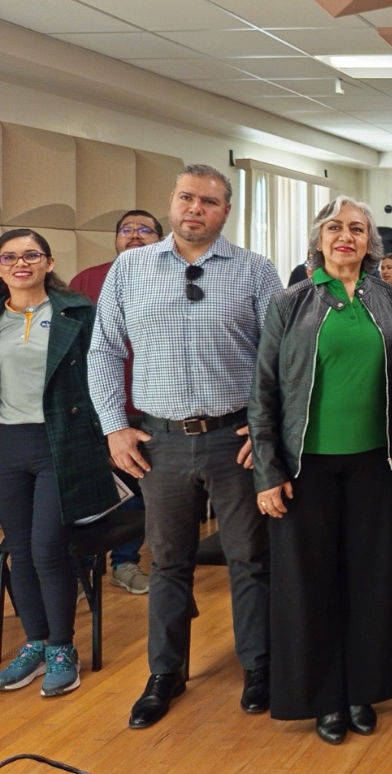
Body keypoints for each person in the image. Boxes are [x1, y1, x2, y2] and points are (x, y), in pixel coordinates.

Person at [89, 163, 281, 729]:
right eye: (186, 198)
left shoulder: (255, 270)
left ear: (226, 212)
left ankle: (259, 666)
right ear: (171, 204)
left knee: (250, 559)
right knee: (168, 561)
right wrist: (112, 426)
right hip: (161, 441)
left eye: (209, 201)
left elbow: (281, 357)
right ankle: (164, 672)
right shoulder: (131, 268)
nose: (195, 209)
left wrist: (268, 429)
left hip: (235, 438)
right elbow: (103, 351)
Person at [248, 196, 392, 745]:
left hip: (376, 464)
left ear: (372, 242)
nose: (347, 236)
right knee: (308, 584)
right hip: (304, 468)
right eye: (336, 227)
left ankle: (362, 688)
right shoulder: (290, 303)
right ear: (319, 237)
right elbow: (265, 392)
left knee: (370, 579)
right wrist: (267, 472)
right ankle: (322, 698)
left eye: (358, 229)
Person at [0, 229, 118, 697]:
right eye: (9, 256)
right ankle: (35, 642)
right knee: (21, 550)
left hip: (62, 443)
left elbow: (106, 371)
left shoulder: (76, 311)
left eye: (32, 255)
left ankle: (62, 647)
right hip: (7, 446)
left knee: (50, 547)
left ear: (49, 263)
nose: (20, 263)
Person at [68, 209, 165, 596]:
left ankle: (125, 563)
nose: (135, 235)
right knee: (96, 489)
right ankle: (82, 568)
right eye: (126, 229)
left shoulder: (172, 277)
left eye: (145, 229)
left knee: (140, 486)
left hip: (152, 406)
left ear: (161, 238)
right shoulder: (86, 281)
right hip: (96, 407)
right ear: (115, 239)